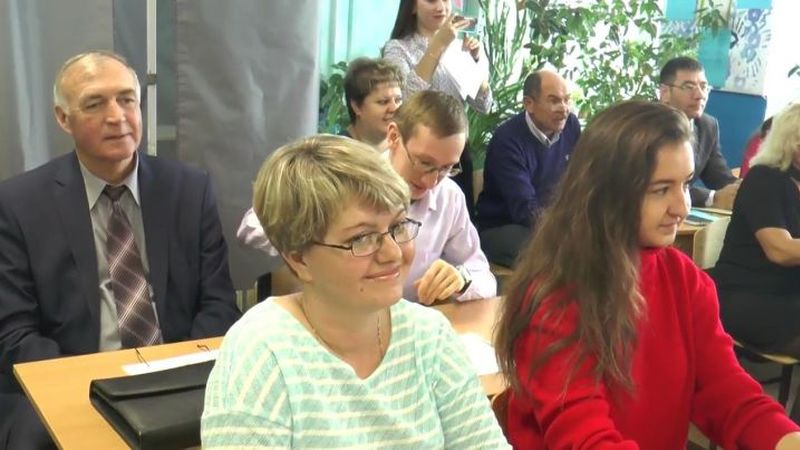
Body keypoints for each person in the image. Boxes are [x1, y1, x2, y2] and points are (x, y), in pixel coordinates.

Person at [495, 101, 800, 449]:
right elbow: (584, 436)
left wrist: (785, 438)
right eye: (660, 190)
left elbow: (726, 391)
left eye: (685, 184)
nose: (681, 207)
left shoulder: (685, 279)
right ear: (605, 191)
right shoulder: (559, 293)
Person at [202, 135, 509, 449]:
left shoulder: (429, 336)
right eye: (361, 239)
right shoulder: (261, 355)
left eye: (397, 227)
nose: (393, 253)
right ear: (298, 259)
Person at [0, 51, 241, 449]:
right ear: (63, 118)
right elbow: (14, 331)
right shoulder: (19, 204)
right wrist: (85, 383)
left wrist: (183, 375)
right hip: (74, 378)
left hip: (177, 374)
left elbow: (217, 304)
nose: (117, 116)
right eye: (95, 104)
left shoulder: (188, 189)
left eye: (127, 99)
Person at [238, 91, 496, 304]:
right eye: (424, 163)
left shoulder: (449, 195)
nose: (432, 181)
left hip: (408, 320)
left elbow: (483, 274)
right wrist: (310, 238)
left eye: (446, 168)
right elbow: (252, 225)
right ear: (394, 136)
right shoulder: (348, 180)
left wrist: (462, 279)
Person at [383, 0, 493, 217]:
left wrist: (476, 64)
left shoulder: (459, 47)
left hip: (454, 155)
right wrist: (438, 45)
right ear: (413, 6)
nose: (441, 7)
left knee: (455, 220)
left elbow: (484, 105)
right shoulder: (397, 48)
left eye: (446, 0)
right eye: (432, 1)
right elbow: (404, 102)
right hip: (419, 152)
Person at [711, 103, 800, 359]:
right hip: (749, 296)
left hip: (789, 295)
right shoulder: (764, 179)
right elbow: (780, 250)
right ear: (792, 144)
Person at [476, 70, 581, 267]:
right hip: (506, 226)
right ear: (529, 104)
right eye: (554, 101)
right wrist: (566, 232)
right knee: (553, 251)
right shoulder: (508, 140)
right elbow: (525, 209)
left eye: (567, 100)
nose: (564, 109)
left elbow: (582, 181)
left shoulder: (571, 126)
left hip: (552, 222)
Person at [659, 56, 740, 209]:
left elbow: (718, 176)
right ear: (665, 93)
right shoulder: (646, 126)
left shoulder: (707, 125)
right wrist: (712, 198)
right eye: (689, 87)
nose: (700, 95)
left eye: (703, 87)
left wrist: (741, 189)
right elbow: (658, 185)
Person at [341, 57, 404, 149]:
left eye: (398, 100)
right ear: (356, 107)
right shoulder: (338, 152)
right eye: (383, 102)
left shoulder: (408, 145)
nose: (394, 108)